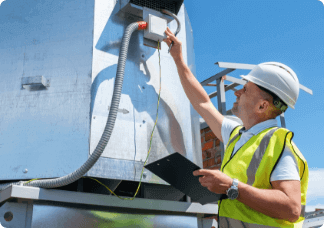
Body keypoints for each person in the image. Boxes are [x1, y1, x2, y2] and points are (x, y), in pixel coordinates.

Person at [163, 27, 309, 228]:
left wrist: (231, 186)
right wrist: (178, 59)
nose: (237, 92)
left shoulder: (277, 143)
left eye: (246, 89)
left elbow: (292, 208)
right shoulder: (237, 135)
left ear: (262, 106)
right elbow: (203, 104)